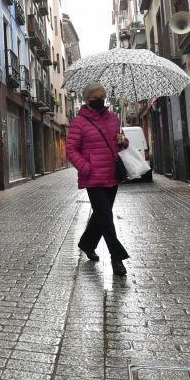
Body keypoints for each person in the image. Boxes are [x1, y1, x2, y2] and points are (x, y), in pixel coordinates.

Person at [65, 83, 130, 276]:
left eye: (102, 95)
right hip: (93, 178)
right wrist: (87, 168)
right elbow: (71, 150)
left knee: (102, 215)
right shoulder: (79, 122)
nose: (100, 99)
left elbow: (122, 145)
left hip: (112, 174)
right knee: (106, 217)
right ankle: (116, 258)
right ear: (87, 100)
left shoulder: (113, 119)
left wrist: (122, 141)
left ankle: (86, 243)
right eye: (95, 97)